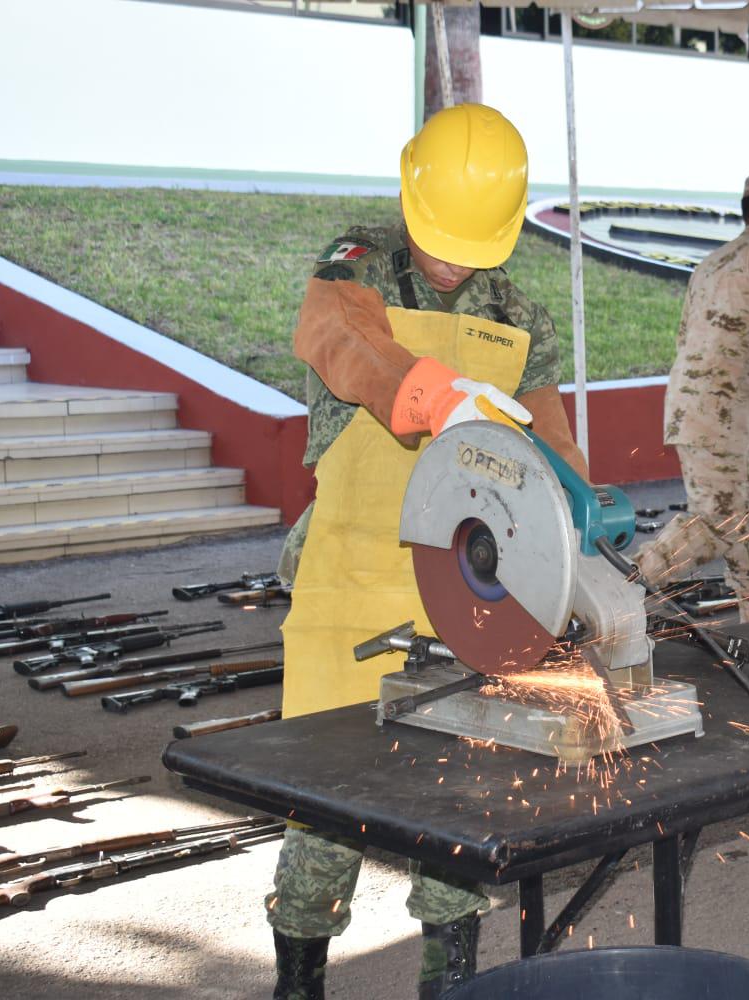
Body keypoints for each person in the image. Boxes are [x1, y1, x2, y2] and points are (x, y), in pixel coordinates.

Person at [266, 103, 589, 1000]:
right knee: (325, 808)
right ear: (410, 198)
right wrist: (430, 397)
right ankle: (301, 979)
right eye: (443, 239)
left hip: (459, 581)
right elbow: (341, 344)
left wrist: (579, 502)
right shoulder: (355, 265)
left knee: (459, 797)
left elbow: (546, 430)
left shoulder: (515, 310)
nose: (453, 258)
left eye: (470, 242)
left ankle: (450, 982)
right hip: (350, 571)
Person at [631, 173, 749, 623]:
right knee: (720, 518)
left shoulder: (713, 261)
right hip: (722, 409)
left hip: (692, 404)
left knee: (744, 506)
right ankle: (630, 578)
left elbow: (685, 333)